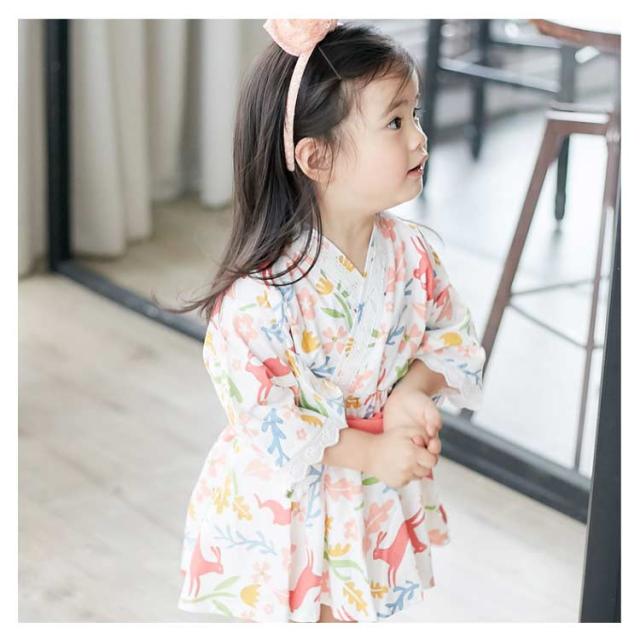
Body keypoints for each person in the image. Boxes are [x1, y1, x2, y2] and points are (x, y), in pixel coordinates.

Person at [173, 19, 486, 623]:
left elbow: (451, 334)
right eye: (395, 122)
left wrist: (412, 393)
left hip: (370, 495)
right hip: (292, 508)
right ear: (316, 157)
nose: (420, 139)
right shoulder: (261, 296)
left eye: (416, 115)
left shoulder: (413, 255)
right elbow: (262, 419)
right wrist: (370, 454)